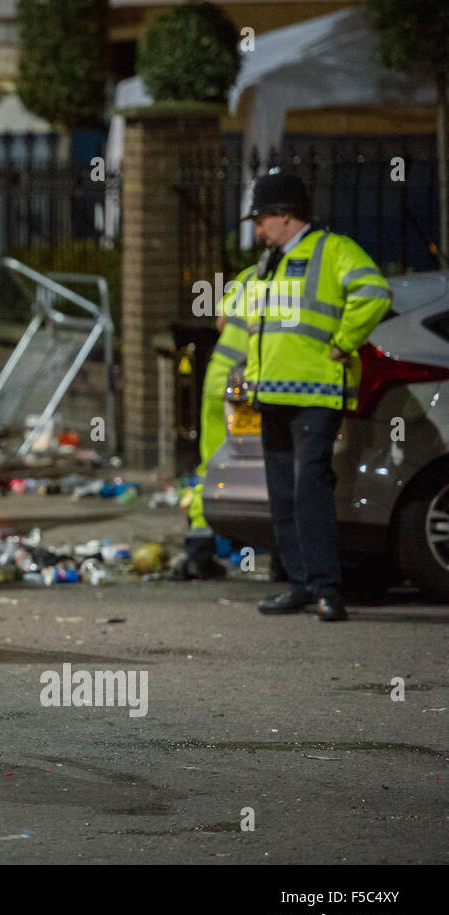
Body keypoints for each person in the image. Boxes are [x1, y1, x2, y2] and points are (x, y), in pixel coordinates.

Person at [242, 169, 390, 622]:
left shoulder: (333, 249)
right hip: (273, 395)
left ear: (285, 215)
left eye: (261, 218)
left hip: (316, 393)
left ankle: (327, 589)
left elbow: (374, 292)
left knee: (310, 491)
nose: (256, 228)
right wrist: (253, 381)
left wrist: (343, 342)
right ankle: (300, 585)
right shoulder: (270, 263)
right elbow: (258, 332)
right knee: (283, 495)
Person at [172, 263, 253, 580]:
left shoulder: (248, 276)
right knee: (264, 465)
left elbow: (221, 323)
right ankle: (274, 553)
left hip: (220, 377)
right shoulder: (303, 278)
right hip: (257, 383)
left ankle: (199, 548)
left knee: (212, 466)